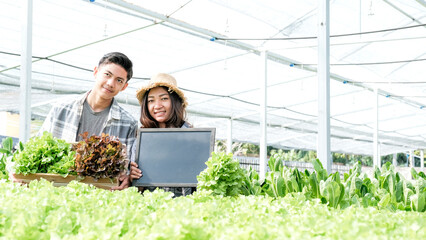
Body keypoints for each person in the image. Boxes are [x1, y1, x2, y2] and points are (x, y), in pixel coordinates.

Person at [38, 52, 137, 190]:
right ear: (96, 72)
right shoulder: (61, 109)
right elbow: (37, 148)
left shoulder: (128, 124)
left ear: (124, 87)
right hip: (57, 190)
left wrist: (128, 177)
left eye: (119, 80)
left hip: (103, 197)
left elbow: (130, 167)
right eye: (107, 75)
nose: (110, 83)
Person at [130, 73, 193, 196]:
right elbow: (135, 188)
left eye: (164, 98)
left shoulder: (191, 137)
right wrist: (133, 176)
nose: (157, 106)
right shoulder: (142, 139)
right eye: (151, 101)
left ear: (175, 102)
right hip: (149, 208)